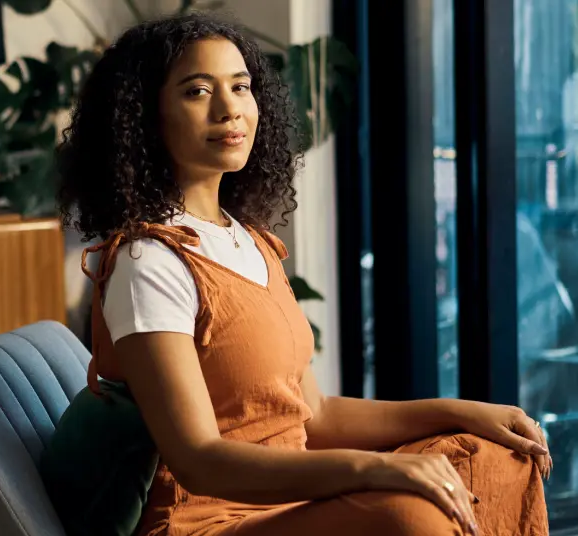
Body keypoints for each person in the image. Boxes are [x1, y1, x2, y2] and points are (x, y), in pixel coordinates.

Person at [57, 12, 550, 536]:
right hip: (209, 518)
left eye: (241, 86)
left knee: (495, 457)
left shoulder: (249, 240)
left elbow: (313, 415)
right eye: (198, 91)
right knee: (412, 516)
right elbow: (199, 458)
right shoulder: (147, 262)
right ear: (145, 119)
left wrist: (462, 412)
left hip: (293, 506)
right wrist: (376, 469)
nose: (230, 109)